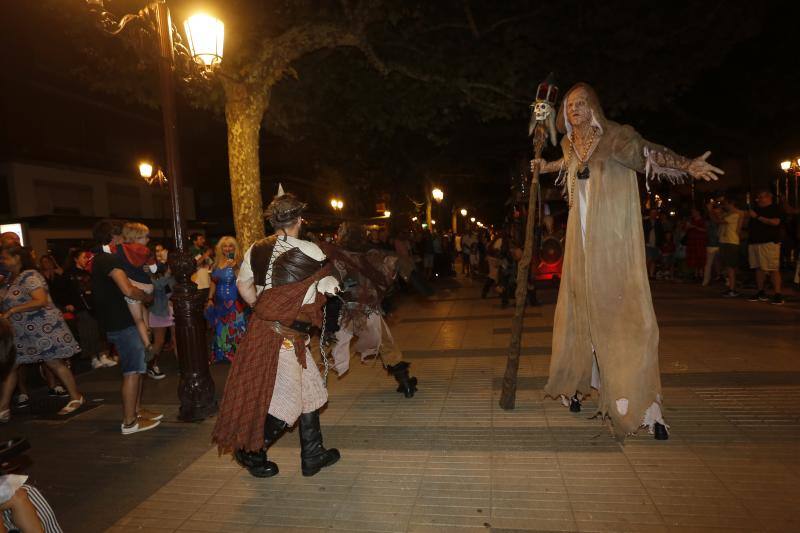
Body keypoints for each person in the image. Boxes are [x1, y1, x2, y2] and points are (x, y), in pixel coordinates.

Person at [532, 82, 723, 441]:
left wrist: (685, 164)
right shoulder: (572, 144)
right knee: (578, 314)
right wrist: (544, 166)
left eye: (582, 103)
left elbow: (649, 153)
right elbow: (568, 163)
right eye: (570, 105)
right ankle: (575, 385)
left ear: (595, 108)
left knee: (625, 319)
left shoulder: (617, 137)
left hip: (613, 247)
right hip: (580, 250)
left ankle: (640, 405)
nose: (575, 109)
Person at [212, 193, 340, 478]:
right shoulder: (312, 251)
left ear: (273, 221)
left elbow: (244, 287)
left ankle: (313, 454)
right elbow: (325, 287)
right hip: (285, 337)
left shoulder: (254, 249)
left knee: (311, 392)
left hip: (264, 329)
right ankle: (251, 451)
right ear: (299, 219)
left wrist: (266, 307)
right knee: (289, 401)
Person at [321, 223, 418, 397]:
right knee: (387, 347)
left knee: (328, 348)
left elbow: (331, 286)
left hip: (344, 311)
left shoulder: (338, 257)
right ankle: (406, 384)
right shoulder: (372, 255)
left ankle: (312, 388)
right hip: (368, 311)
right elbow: (392, 268)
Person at [90, 220, 161, 435]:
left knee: (138, 368)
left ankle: (137, 411)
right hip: (122, 323)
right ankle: (130, 421)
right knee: (132, 370)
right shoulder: (109, 260)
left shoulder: (101, 258)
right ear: (115, 237)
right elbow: (128, 289)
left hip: (123, 321)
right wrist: (148, 296)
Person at [0, 246, 84, 422]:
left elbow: (40, 300)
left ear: (18, 258)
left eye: (5, 258)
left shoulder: (30, 275)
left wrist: (13, 310)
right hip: (21, 332)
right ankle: (3, 407)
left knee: (53, 362)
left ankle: (76, 397)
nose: (2, 261)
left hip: (42, 328)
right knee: (12, 366)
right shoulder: (9, 279)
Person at [62, 250, 115, 369]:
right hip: (81, 307)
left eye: (87, 258)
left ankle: (103, 356)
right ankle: (93, 358)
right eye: (83, 257)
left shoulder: (89, 272)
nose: (86, 260)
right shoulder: (69, 274)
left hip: (95, 306)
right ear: (76, 259)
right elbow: (64, 292)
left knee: (99, 331)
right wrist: (68, 303)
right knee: (87, 332)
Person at [112, 223, 156, 357]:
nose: (148, 240)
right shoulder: (147, 251)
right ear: (138, 237)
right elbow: (154, 269)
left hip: (132, 286)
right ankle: (148, 331)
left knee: (137, 319)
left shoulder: (118, 249)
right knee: (144, 310)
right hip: (148, 286)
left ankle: (147, 344)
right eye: (146, 237)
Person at [205, 236, 248, 364]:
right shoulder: (216, 263)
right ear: (220, 248)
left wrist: (234, 267)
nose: (227, 248)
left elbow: (242, 280)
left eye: (231, 246)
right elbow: (213, 282)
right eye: (225, 246)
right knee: (220, 328)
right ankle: (221, 355)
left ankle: (237, 355)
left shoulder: (239, 261)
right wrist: (210, 298)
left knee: (236, 327)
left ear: (235, 248)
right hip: (219, 302)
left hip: (235, 301)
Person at [746, 190, 784, 305]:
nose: (759, 199)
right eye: (758, 197)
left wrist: (757, 217)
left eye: (761, 197)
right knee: (758, 268)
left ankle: (777, 294)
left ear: (769, 197)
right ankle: (761, 292)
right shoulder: (755, 209)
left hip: (769, 243)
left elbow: (775, 222)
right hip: (754, 242)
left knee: (773, 268)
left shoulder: (775, 208)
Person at [147, 246, 175, 380]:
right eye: (156, 251)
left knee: (177, 339)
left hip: (172, 308)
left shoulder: (168, 267)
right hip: (158, 309)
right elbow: (156, 286)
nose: (159, 254)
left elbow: (173, 286)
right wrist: (168, 273)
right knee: (159, 341)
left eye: (162, 251)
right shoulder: (147, 268)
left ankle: (184, 366)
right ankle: (151, 365)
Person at [710, 196, 743, 297]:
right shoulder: (728, 213)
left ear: (731, 204)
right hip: (725, 241)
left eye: (725, 204)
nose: (724, 205)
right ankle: (730, 288)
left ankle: (732, 289)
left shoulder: (736, 214)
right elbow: (717, 218)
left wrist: (710, 210)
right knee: (727, 266)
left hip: (731, 242)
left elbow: (718, 221)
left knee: (730, 267)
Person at [684, 208, 708, 280]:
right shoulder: (691, 220)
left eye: (694, 212)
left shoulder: (702, 221)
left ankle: (700, 275)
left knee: (700, 257)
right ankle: (695, 274)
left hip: (700, 242)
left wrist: (694, 227)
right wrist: (687, 227)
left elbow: (705, 230)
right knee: (693, 258)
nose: (693, 213)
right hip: (692, 242)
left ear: (698, 212)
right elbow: (685, 229)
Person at [703, 200, 722, 286]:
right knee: (709, 264)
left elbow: (717, 221)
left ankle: (721, 278)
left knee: (720, 263)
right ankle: (706, 280)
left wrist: (711, 210)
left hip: (720, 243)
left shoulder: (721, 219)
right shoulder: (709, 221)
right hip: (711, 244)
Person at [643, 209, 664, 278]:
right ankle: (645, 274)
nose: (654, 214)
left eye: (655, 213)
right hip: (647, 243)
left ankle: (651, 275)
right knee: (648, 258)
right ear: (650, 214)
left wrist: (660, 244)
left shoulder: (658, 222)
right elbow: (644, 230)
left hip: (655, 244)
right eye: (652, 213)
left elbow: (661, 233)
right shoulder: (646, 221)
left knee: (654, 260)